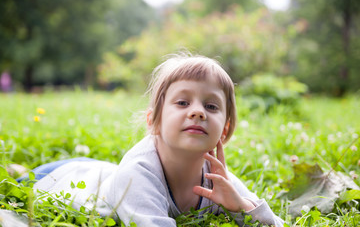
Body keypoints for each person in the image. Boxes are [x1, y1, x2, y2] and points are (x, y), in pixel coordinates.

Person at [21, 54, 284, 226]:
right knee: (16, 181)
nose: (198, 111)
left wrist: (240, 205)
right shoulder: (137, 173)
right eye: (182, 102)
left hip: (103, 171)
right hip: (63, 178)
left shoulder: (217, 178)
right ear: (154, 121)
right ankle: (19, 172)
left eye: (212, 106)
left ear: (224, 130)